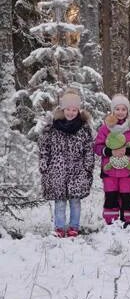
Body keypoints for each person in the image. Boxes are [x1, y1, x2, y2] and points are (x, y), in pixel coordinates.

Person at [38, 88, 94, 237]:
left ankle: (74, 227)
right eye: (68, 109)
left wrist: (88, 166)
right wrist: (44, 164)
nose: (71, 112)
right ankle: (59, 228)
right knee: (60, 202)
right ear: (63, 109)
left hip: (78, 171)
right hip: (57, 172)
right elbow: (44, 147)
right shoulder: (52, 128)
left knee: (75, 201)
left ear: (78, 110)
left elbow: (88, 149)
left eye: (74, 109)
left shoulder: (83, 129)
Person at [94, 93, 130, 227]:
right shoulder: (105, 128)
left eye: (123, 109)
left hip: (127, 170)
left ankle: (127, 221)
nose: (120, 112)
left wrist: (127, 150)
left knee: (126, 196)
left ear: (127, 111)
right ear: (113, 110)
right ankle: (111, 222)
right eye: (117, 109)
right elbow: (98, 147)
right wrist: (110, 151)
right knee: (110, 196)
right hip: (109, 170)